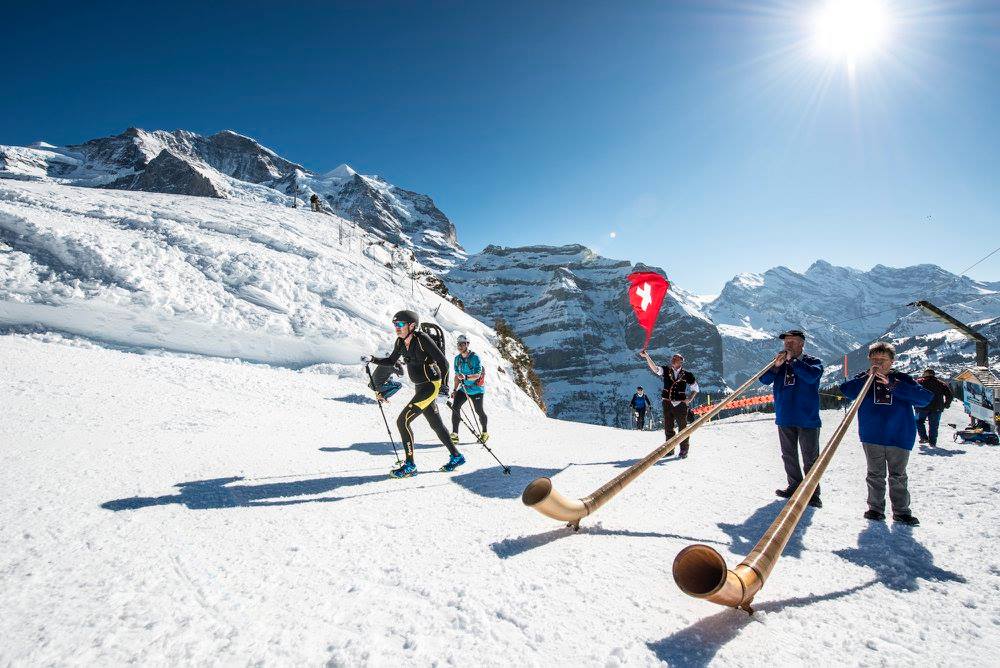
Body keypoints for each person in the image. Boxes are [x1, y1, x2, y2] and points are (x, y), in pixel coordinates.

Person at [362, 310, 464, 478]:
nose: (397, 328)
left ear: (412, 325)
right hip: (420, 386)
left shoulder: (422, 339)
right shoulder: (400, 342)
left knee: (402, 421)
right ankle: (456, 456)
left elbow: (443, 363)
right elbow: (391, 361)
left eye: (400, 324)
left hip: (430, 386)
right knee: (436, 424)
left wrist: (444, 388)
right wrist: (372, 359)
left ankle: (410, 465)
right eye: (395, 324)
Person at [840, 342, 932, 526]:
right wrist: (866, 379)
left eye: (883, 359)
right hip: (871, 434)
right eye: (874, 359)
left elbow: (924, 399)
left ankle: (901, 511)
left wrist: (894, 385)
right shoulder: (865, 379)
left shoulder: (902, 379)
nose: (878, 363)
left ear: (891, 361)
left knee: (898, 475)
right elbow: (846, 391)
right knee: (875, 474)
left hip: (899, 435)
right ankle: (875, 509)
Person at [759, 329, 824, 508]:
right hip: (784, 415)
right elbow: (763, 380)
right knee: (788, 455)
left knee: (810, 457)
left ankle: (812, 492)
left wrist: (793, 361)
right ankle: (794, 486)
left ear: (802, 344)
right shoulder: (779, 363)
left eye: (792, 342)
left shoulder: (813, 362)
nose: (788, 345)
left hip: (807, 417)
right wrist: (776, 366)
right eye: (786, 342)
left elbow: (812, 377)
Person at [641, 351, 699, 458]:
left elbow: (695, 388)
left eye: (675, 359)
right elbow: (655, 369)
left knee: (683, 427)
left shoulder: (687, 374)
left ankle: (684, 450)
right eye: (672, 358)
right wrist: (647, 357)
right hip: (667, 403)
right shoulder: (666, 370)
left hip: (680, 404)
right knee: (668, 427)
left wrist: (689, 399)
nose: (672, 360)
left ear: (681, 362)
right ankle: (669, 449)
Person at [450, 333, 489, 444]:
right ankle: (455, 434)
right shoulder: (457, 359)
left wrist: (466, 377)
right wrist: (454, 389)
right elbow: (457, 376)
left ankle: (485, 432)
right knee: (455, 407)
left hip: (477, 389)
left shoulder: (475, 358)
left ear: (467, 344)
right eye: (459, 344)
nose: (460, 346)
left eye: (462, 344)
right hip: (464, 388)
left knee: (479, 411)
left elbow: (477, 374)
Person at [914, 368, 952, 446]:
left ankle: (923, 437)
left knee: (919, 421)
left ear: (926, 374)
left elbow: (912, 392)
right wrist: (946, 404)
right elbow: (949, 395)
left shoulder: (920, 382)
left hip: (922, 407)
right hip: (937, 407)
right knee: (934, 425)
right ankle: (932, 442)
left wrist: (914, 403)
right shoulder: (941, 383)